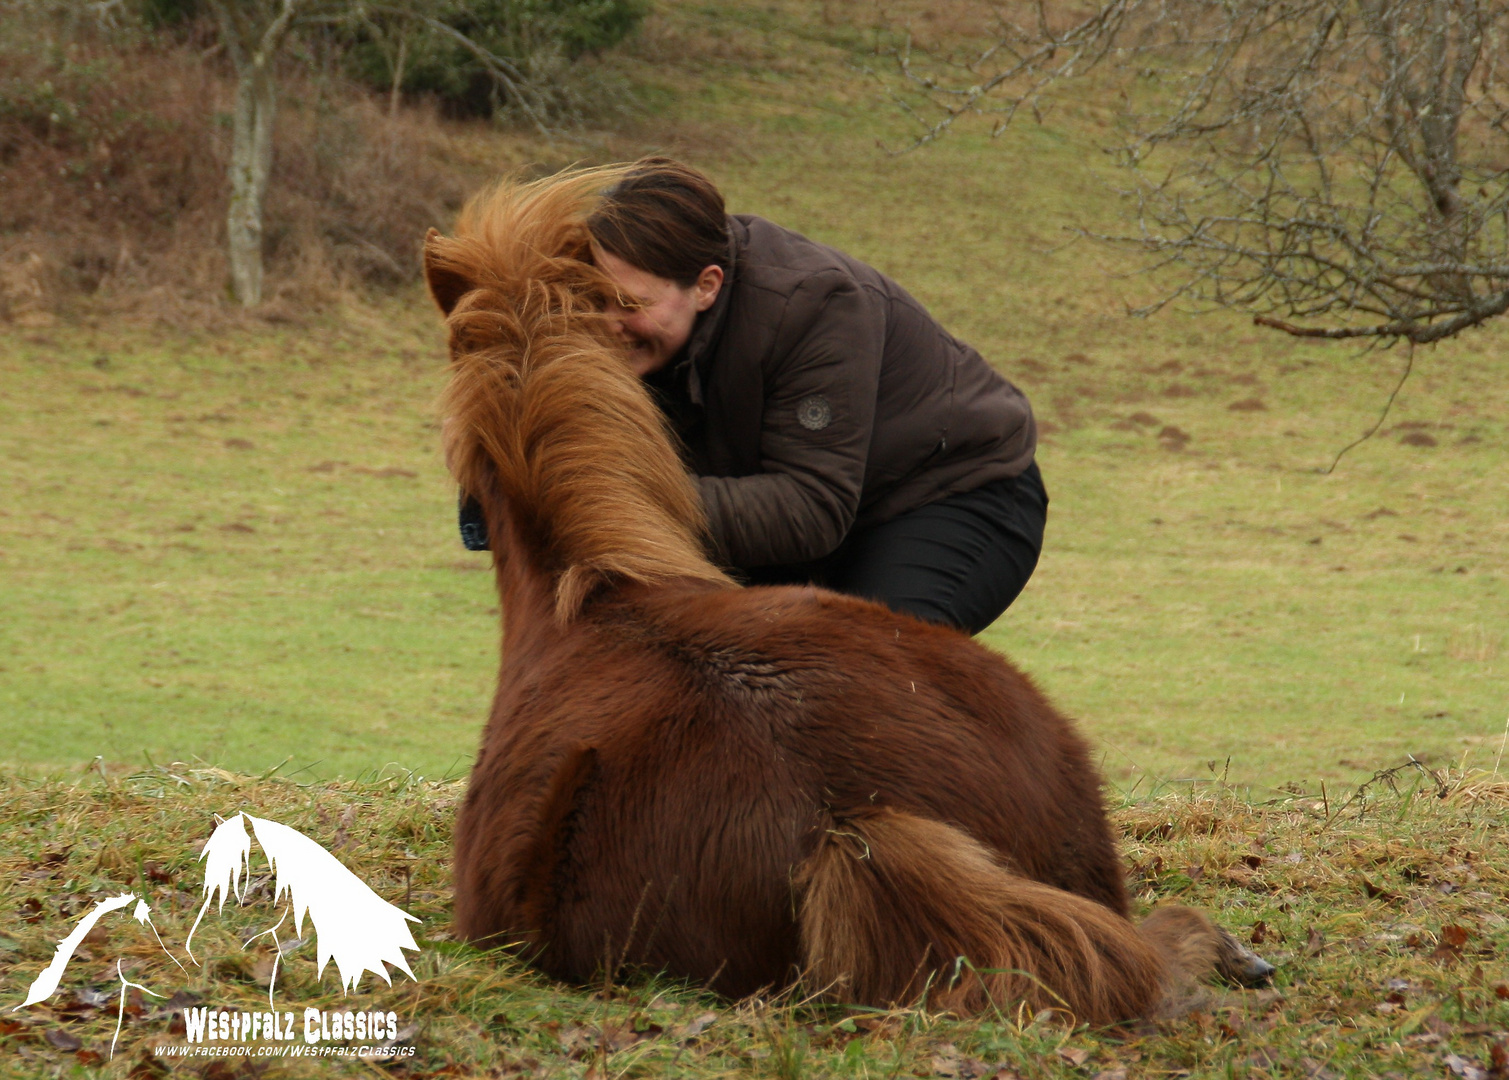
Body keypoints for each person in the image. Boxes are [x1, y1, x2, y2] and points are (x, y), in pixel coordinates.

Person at [465, 157, 1047, 636]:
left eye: (632, 304)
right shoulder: (630, 327)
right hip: (787, 514)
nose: (608, 324)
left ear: (706, 286)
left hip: (951, 496)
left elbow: (810, 507)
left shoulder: (814, 308)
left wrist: (617, 500)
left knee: (864, 677)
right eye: (597, 300)